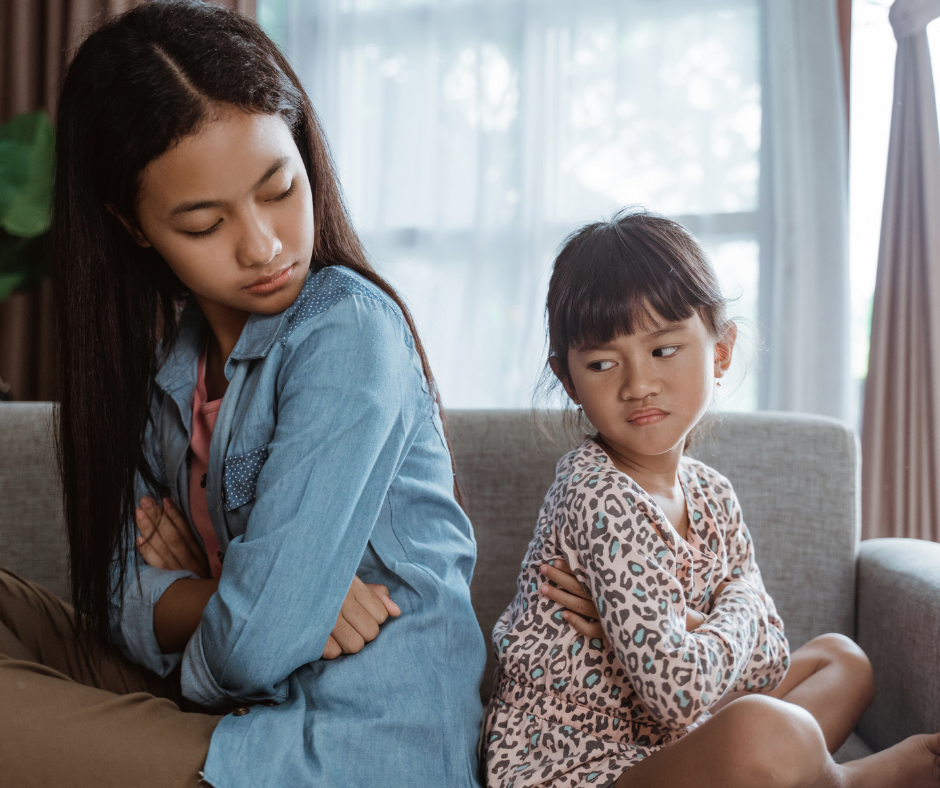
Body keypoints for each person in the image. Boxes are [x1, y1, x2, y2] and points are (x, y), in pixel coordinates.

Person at [0, 2, 502, 786]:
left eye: (279, 189)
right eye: (204, 224)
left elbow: (256, 643)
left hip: (341, 752)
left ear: (303, 149)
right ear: (133, 226)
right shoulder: (168, 368)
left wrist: (250, 603)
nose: (264, 246)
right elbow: (120, 594)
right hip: (224, 719)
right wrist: (246, 593)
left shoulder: (348, 333)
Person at [482, 209, 940, 788]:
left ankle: (798, 773)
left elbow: (772, 653)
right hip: (584, 770)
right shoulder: (595, 493)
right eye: (602, 362)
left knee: (840, 660)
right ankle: (843, 782)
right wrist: (735, 607)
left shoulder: (712, 494)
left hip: (673, 741)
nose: (637, 384)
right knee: (763, 729)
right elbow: (677, 692)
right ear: (569, 380)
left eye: (663, 350)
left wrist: (686, 623)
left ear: (720, 351)